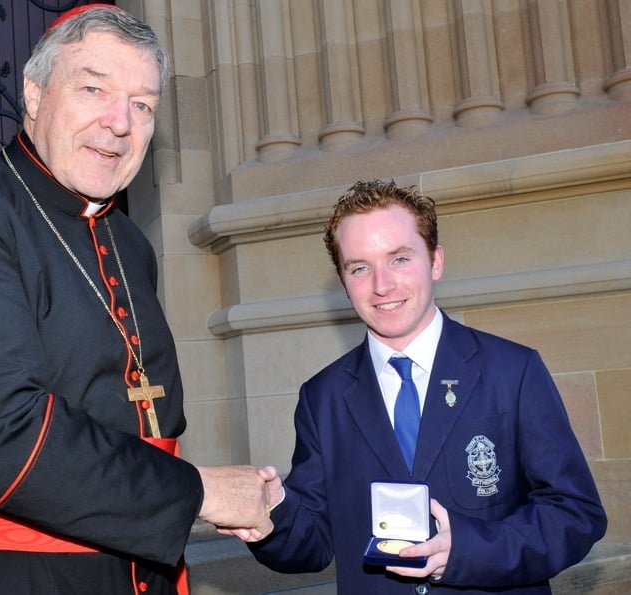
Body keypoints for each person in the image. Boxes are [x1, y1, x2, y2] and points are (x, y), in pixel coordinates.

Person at [0, 5, 272, 595]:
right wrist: (199, 491)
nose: (121, 123)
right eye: (93, 89)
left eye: (143, 104)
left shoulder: (129, 242)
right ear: (33, 94)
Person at [248, 180, 607, 593]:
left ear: (435, 261)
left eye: (399, 258)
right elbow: (310, 546)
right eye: (360, 267)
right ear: (343, 279)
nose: (382, 285)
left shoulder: (513, 370)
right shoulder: (322, 397)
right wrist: (268, 513)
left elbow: (575, 514)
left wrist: (469, 550)